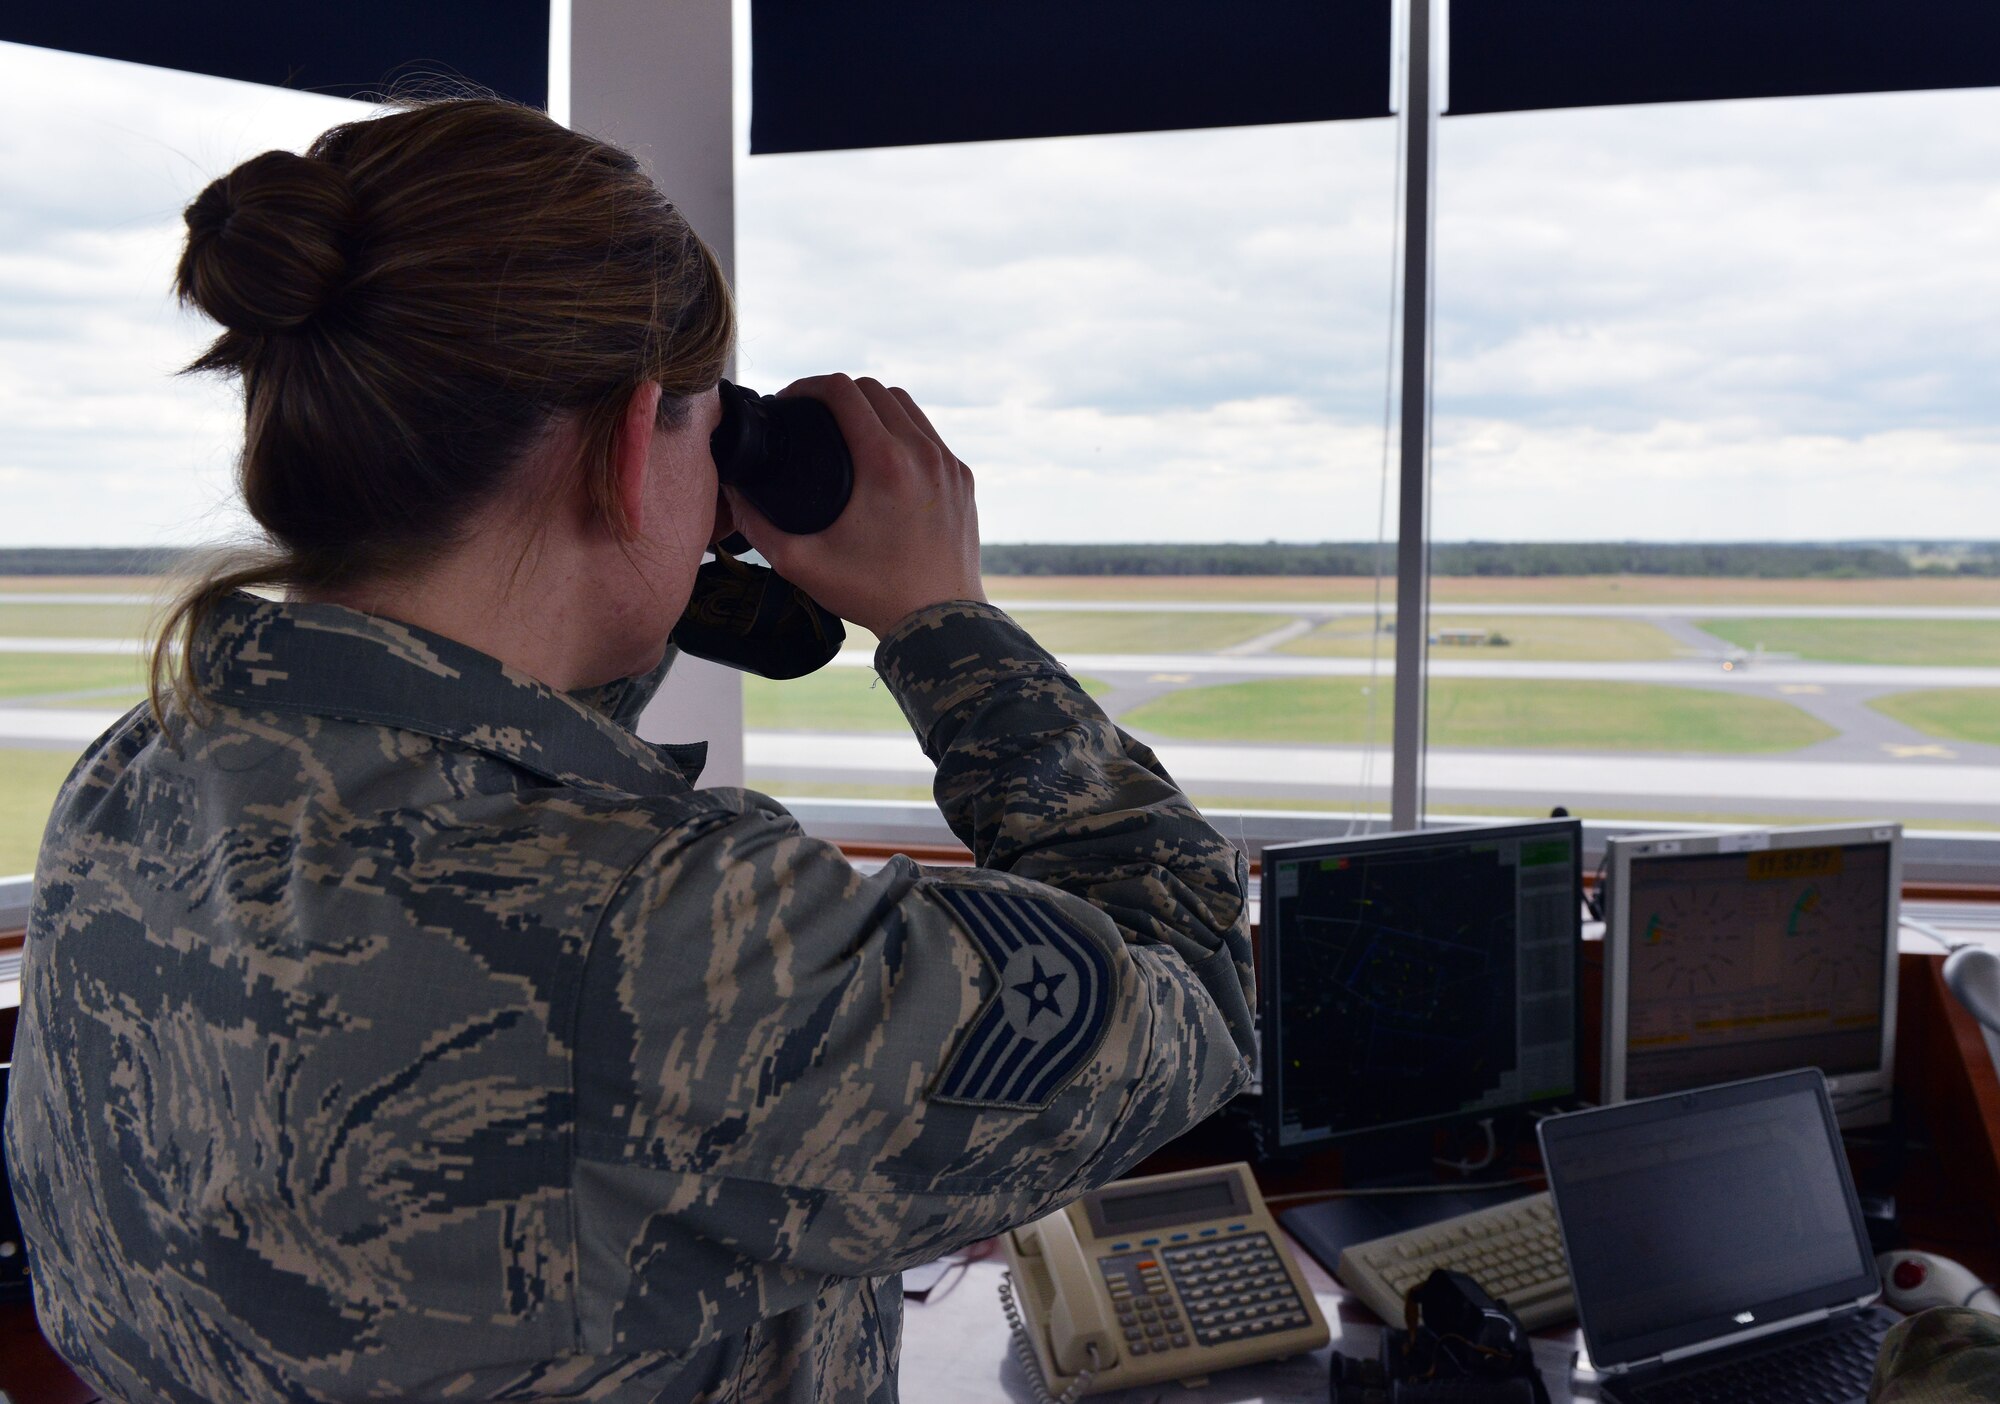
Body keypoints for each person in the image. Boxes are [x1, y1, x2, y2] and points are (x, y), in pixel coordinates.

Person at [1, 98, 1255, 1402]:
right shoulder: (681, 940)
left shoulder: (134, 777)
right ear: (621, 444)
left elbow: (502, 745)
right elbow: (1193, 974)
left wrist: (658, 522)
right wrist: (945, 620)